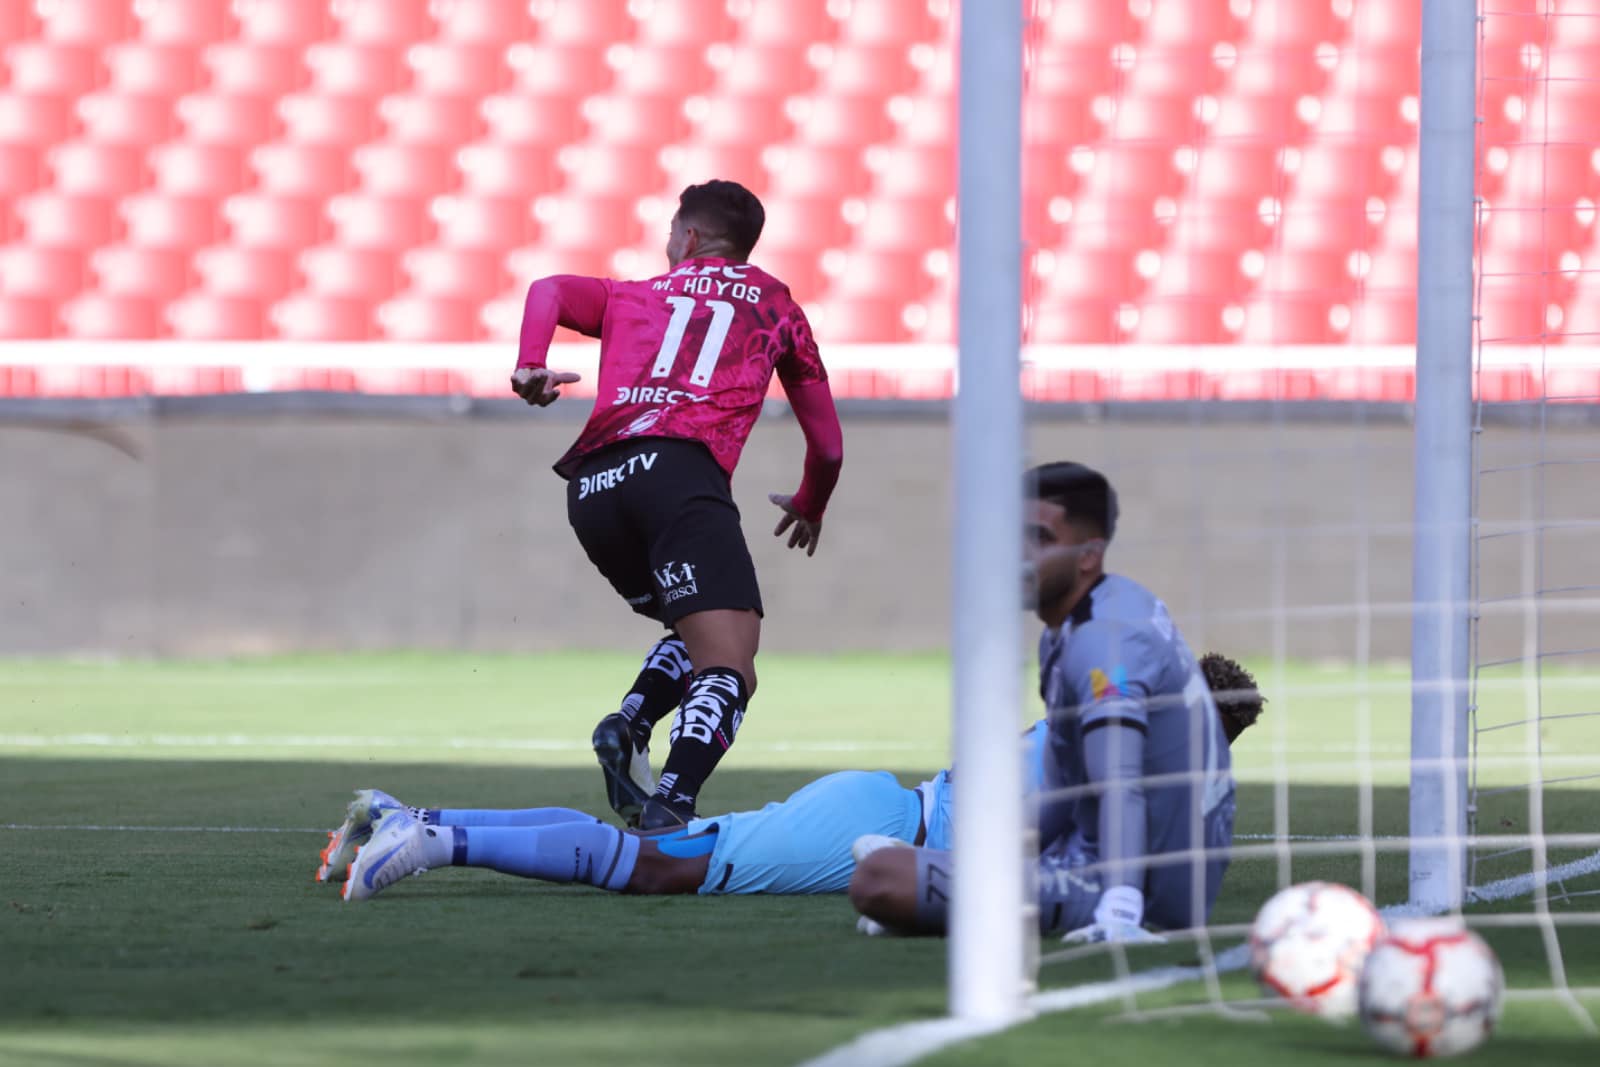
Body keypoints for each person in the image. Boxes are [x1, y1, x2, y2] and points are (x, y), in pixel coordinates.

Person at [318, 653, 1263, 903]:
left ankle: (420, 816)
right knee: (653, 870)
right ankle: (440, 842)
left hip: (887, 803)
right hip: (884, 828)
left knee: (652, 851)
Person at [510, 179, 844, 831]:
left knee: (695, 628)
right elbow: (827, 446)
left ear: (687, 237)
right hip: (678, 476)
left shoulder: (631, 294)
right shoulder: (776, 305)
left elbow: (546, 288)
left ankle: (632, 726)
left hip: (594, 486)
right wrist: (810, 501)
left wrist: (531, 363)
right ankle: (672, 805)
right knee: (731, 659)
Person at [849, 462, 1240, 942]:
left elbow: (1120, 784)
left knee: (879, 878)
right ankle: (951, 876)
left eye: (1039, 538)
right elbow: (1063, 792)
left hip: (1142, 881)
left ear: (1088, 556)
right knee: (904, 866)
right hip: (1106, 854)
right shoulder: (1076, 627)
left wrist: (1120, 909)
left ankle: (1106, 905)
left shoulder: (1104, 642)